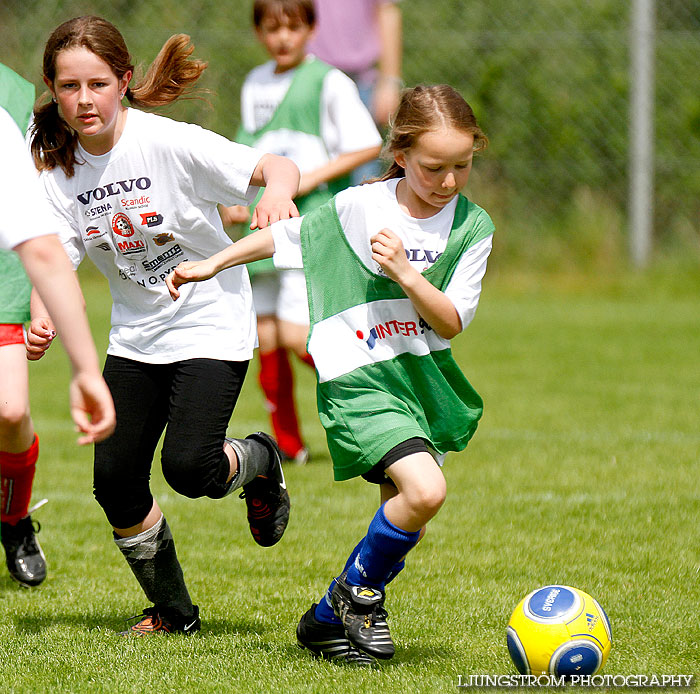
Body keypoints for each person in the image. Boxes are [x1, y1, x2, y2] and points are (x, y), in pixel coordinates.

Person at [167, 84, 494, 663]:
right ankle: (359, 596)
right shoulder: (361, 207)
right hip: (358, 377)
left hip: (417, 379)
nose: (447, 182)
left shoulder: (472, 226)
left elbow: (450, 322)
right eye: (432, 167)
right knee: (426, 490)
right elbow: (288, 237)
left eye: (461, 166)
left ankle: (325, 617)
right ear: (400, 154)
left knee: (410, 502)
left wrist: (405, 274)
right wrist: (215, 260)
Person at [28, 15, 299, 636]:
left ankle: (258, 458)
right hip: (136, 334)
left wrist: (274, 197)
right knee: (115, 481)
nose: (84, 99)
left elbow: (276, 165)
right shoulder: (58, 168)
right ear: (52, 88)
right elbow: (58, 254)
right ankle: (174, 613)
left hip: (209, 320)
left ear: (123, 81)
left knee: (190, 468)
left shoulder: (167, 142)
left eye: (97, 83)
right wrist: (42, 314)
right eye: (69, 87)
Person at [220, 0, 382, 464]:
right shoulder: (255, 81)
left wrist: (307, 179)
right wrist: (236, 195)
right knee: (265, 337)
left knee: (297, 337)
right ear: (258, 33)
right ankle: (288, 445)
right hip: (263, 215)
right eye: (271, 28)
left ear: (312, 28)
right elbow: (251, 146)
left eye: (293, 26)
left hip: (307, 217)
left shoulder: (328, 80)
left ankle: (374, 395)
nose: (283, 37)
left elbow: (367, 142)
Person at [0, 79, 116, 585]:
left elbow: (42, 243)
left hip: (2, 277)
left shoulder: (9, 99)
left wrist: (85, 366)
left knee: (11, 411)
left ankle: (13, 517)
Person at [307, 0, 402, 183]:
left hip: (362, 82)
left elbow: (388, 11)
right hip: (311, 80)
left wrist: (389, 82)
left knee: (364, 178)